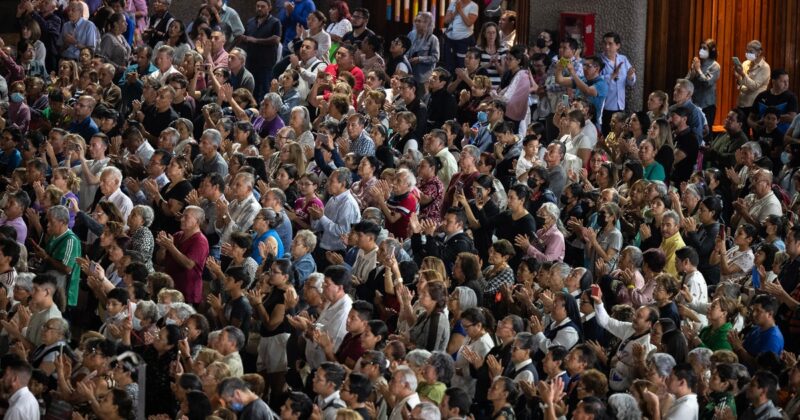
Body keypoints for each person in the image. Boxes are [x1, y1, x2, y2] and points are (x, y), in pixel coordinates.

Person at [156, 206, 209, 306]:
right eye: (182, 216)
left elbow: (188, 264)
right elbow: (160, 261)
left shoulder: (200, 241)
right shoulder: (177, 235)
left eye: (186, 217)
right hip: (170, 290)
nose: (182, 219)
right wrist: (163, 248)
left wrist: (171, 247)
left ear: (197, 221)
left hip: (186, 294)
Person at [242, 0, 282, 102]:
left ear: (269, 7)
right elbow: (246, 37)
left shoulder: (275, 22)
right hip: (251, 62)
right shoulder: (250, 22)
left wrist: (256, 40)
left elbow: (276, 39)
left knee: (265, 91)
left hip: (266, 64)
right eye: (258, 6)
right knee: (250, 91)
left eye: (263, 6)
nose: (259, 8)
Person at [600, 32, 636, 135]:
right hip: (605, 106)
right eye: (605, 43)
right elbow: (595, 80)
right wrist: (611, 75)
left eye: (610, 44)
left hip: (620, 105)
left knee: (619, 134)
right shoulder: (599, 60)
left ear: (618, 46)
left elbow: (631, 82)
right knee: (607, 135)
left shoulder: (623, 59)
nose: (607, 47)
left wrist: (630, 76)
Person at [686, 39, 721, 127]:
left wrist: (698, 70)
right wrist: (693, 72)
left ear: (711, 51)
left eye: (704, 48)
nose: (701, 50)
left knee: (705, 133)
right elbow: (687, 81)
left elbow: (707, 83)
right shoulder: (698, 63)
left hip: (707, 105)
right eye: (701, 48)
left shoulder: (715, 66)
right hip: (694, 103)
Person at [734, 40, 771, 118]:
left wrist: (742, 74)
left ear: (759, 52)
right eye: (747, 51)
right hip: (742, 102)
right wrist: (737, 76)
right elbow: (740, 84)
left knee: (755, 128)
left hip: (754, 105)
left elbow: (754, 86)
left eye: (750, 51)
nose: (747, 53)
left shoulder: (765, 67)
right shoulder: (745, 63)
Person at [442, 0, 478, 73]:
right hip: (450, 39)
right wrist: (455, 11)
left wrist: (460, 10)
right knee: (449, 65)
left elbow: (468, 23)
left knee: (462, 65)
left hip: (464, 40)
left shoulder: (473, 6)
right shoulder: (453, 3)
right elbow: (446, 21)